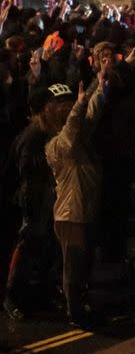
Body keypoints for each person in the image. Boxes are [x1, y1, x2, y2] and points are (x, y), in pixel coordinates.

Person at [45, 79, 105, 328]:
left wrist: (99, 84)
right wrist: (80, 105)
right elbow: (73, 126)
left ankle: (81, 305)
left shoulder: (79, 141)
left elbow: (92, 114)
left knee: (84, 264)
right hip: (70, 216)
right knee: (74, 269)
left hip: (84, 212)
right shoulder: (58, 146)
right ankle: (75, 313)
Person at [3, 84, 59, 320]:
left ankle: (36, 293)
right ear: (42, 110)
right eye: (53, 106)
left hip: (43, 201)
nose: (58, 109)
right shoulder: (32, 136)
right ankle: (11, 295)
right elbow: (26, 172)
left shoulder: (46, 132)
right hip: (32, 202)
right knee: (25, 249)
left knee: (41, 250)